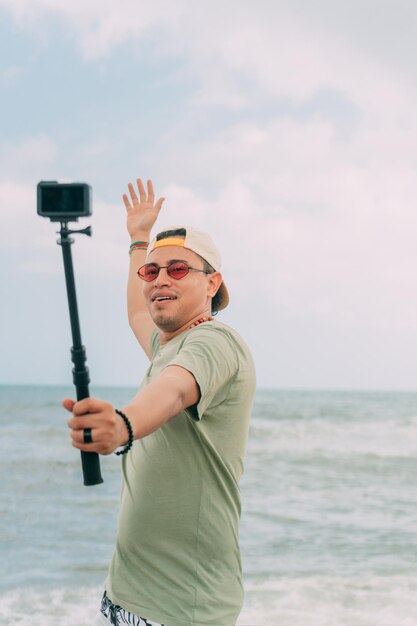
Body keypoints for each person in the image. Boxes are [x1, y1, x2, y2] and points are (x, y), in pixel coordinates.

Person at [63, 179, 256, 626]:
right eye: (153, 272)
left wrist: (123, 424)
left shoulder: (215, 343)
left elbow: (172, 390)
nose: (160, 280)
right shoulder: (168, 344)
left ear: (213, 282)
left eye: (178, 269)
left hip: (180, 612)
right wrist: (137, 241)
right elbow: (136, 312)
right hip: (126, 598)